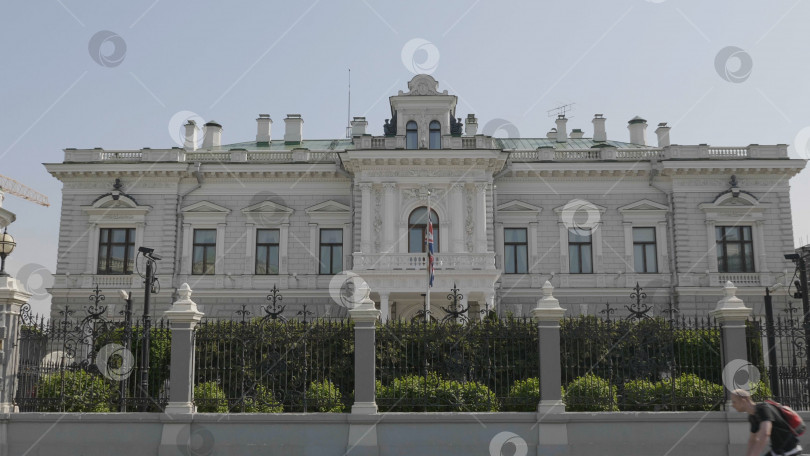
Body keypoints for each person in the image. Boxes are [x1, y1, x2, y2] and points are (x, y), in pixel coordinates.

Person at [731, 389, 803, 456]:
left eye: (734, 402)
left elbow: (765, 433)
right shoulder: (752, 416)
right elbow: (752, 440)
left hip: (790, 450)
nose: (732, 405)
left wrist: (755, 454)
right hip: (777, 451)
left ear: (743, 400)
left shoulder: (763, 408)